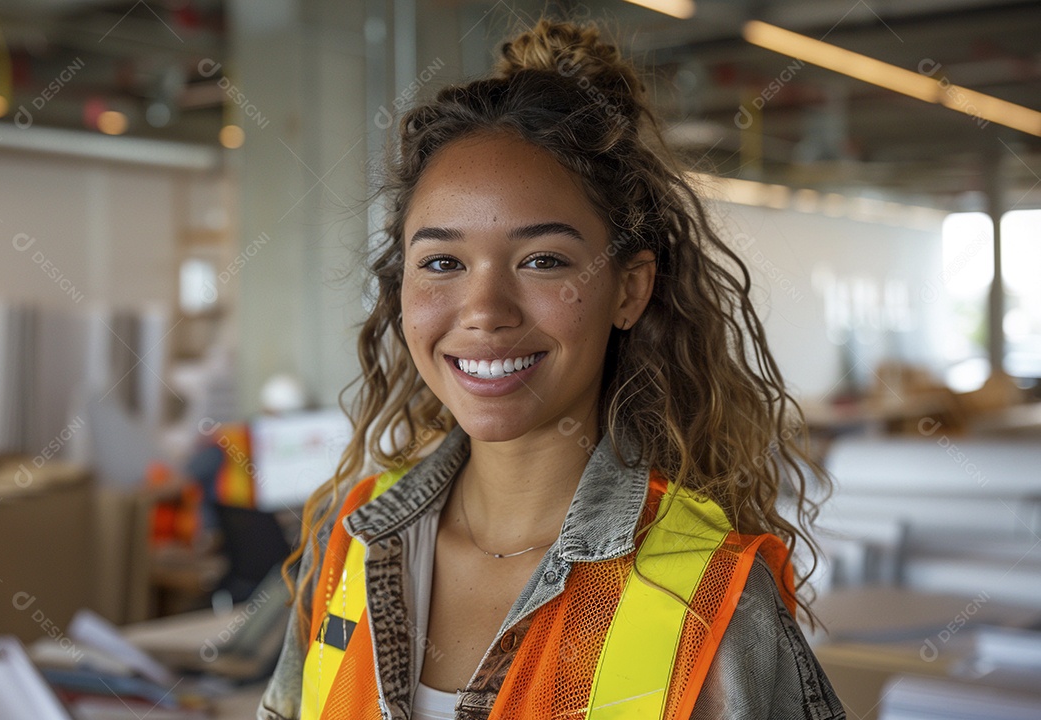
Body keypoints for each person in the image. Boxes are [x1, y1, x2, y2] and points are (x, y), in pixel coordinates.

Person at [258, 18, 845, 720]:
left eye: (543, 261)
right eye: (443, 262)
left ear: (628, 288)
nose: (485, 311)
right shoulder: (352, 542)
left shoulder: (710, 594)